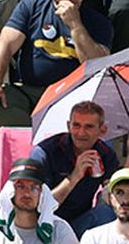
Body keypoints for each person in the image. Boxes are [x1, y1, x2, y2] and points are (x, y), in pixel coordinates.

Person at [0, 0, 110, 121]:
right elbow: (5, 46)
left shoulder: (99, 22)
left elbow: (96, 65)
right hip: (29, 91)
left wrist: (75, 24)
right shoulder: (29, 8)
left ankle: (47, 142)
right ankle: (35, 141)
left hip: (73, 96)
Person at [33, 100, 121, 235]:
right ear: (68, 126)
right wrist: (74, 177)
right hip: (44, 224)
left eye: (89, 127)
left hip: (78, 223)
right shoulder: (45, 153)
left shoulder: (105, 154)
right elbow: (38, 206)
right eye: (76, 125)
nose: (81, 133)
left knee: (108, 212)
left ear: (102, 130)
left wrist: (111, 191)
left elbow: (112, 194)